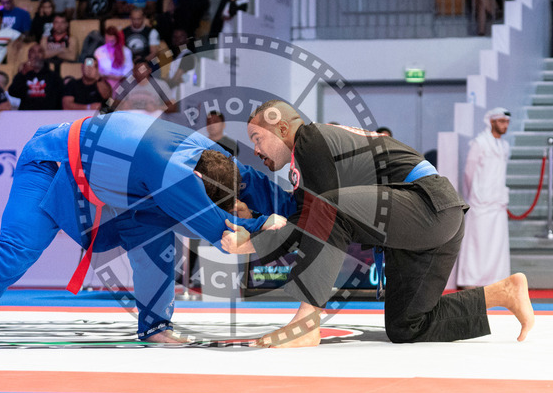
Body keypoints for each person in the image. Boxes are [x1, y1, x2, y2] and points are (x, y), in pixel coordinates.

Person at [0, 112, 295, 348]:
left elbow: (252, 184)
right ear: (195, 183)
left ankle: (154, 326)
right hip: (53, 162)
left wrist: (303, 209)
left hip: (118, 184)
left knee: (154, 234)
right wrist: (263, 226)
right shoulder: (173, 173)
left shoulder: (215, 158)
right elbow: (222, 231)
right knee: (19, 247)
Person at [221, 100, 535, 348]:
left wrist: (252, 244)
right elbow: (305, 223)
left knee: (328, 206)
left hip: (426, 205)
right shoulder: (313, 154)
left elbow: (317, 216)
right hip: (434, 216)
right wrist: (255, 234)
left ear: (283, 127)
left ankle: (306, 323)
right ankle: (503, 293)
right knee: (406, 326)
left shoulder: (310, 139)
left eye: (258, 138)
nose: (256, 149)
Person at [457, 107, 511, 288]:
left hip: (498, 202)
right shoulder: (479, 143)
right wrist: (474, 195)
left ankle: (496, 280)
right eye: (502, 121)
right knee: (477, 243)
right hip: (480, 202)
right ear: (492, 122)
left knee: (497, 244)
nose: (505, 125)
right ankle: (471, 280)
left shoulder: (504, 146)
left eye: (507, 122)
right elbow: (469, 173)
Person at [9, 43, 63, 110]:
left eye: (39, 52)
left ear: (44, 55)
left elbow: (60, 96)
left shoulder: (53, 76)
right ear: (28, 55)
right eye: (33, 52)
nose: (36, 55)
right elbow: (13, 92)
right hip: (26, 113)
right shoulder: (23, 75)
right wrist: (23, 73)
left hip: (47, 113)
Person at [94, 26, 133, 96]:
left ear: (116, 39)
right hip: (104, 80)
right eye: (107, 40)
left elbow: (129, 70)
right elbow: (97, 69)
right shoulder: (99, 51)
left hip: (122, 80)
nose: (109, 43)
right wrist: (107, 76)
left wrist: (118, 78)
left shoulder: (126, 51)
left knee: (121, 87)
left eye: (112, 41)